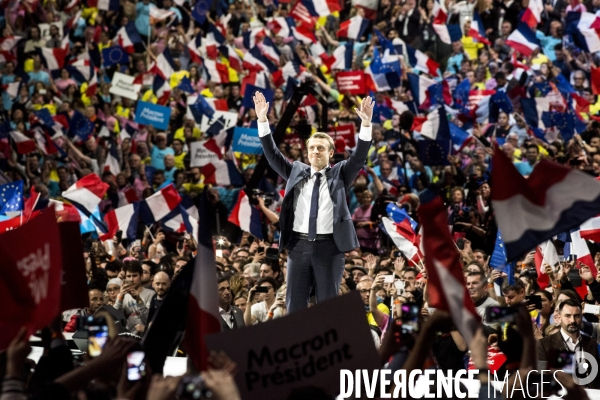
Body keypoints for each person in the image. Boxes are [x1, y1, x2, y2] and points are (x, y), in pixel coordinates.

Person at [253, 91, 374, 313]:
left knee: (327, 306)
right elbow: (272, 154)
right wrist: (262, 120)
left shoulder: (341, 173)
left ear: (330, 153)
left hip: (330, 247)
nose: (315, 151)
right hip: (298, 246)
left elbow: (358, 158)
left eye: (320, 148)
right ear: (307, 153)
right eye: (312, 148)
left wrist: (365, 125)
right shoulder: (295, 171)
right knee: (295, 307)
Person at [536, 299, 600, 388]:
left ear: (581, 316)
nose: (572, 320)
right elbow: (541, 379)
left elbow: (596, 378)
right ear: (559, 317)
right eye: (567, 316)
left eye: (576, 316)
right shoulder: (544, 344)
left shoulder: (591, 342)